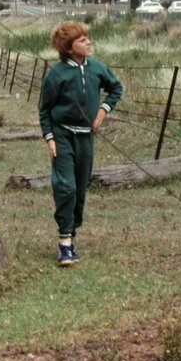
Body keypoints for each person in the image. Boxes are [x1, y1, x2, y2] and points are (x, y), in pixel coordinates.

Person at [38, 21, 123, 267]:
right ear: (68, 47)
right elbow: (44, 110)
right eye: (81, 40)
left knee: (80, 190)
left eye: (87, 38)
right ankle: (65, 244)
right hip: (62, 136)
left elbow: (116, 88)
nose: (88, 42)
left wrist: (102, 112)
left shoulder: (97, 68)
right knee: (66, 187)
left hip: (86, 137)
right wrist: (50, 138)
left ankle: (72, 232)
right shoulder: (55, 74)